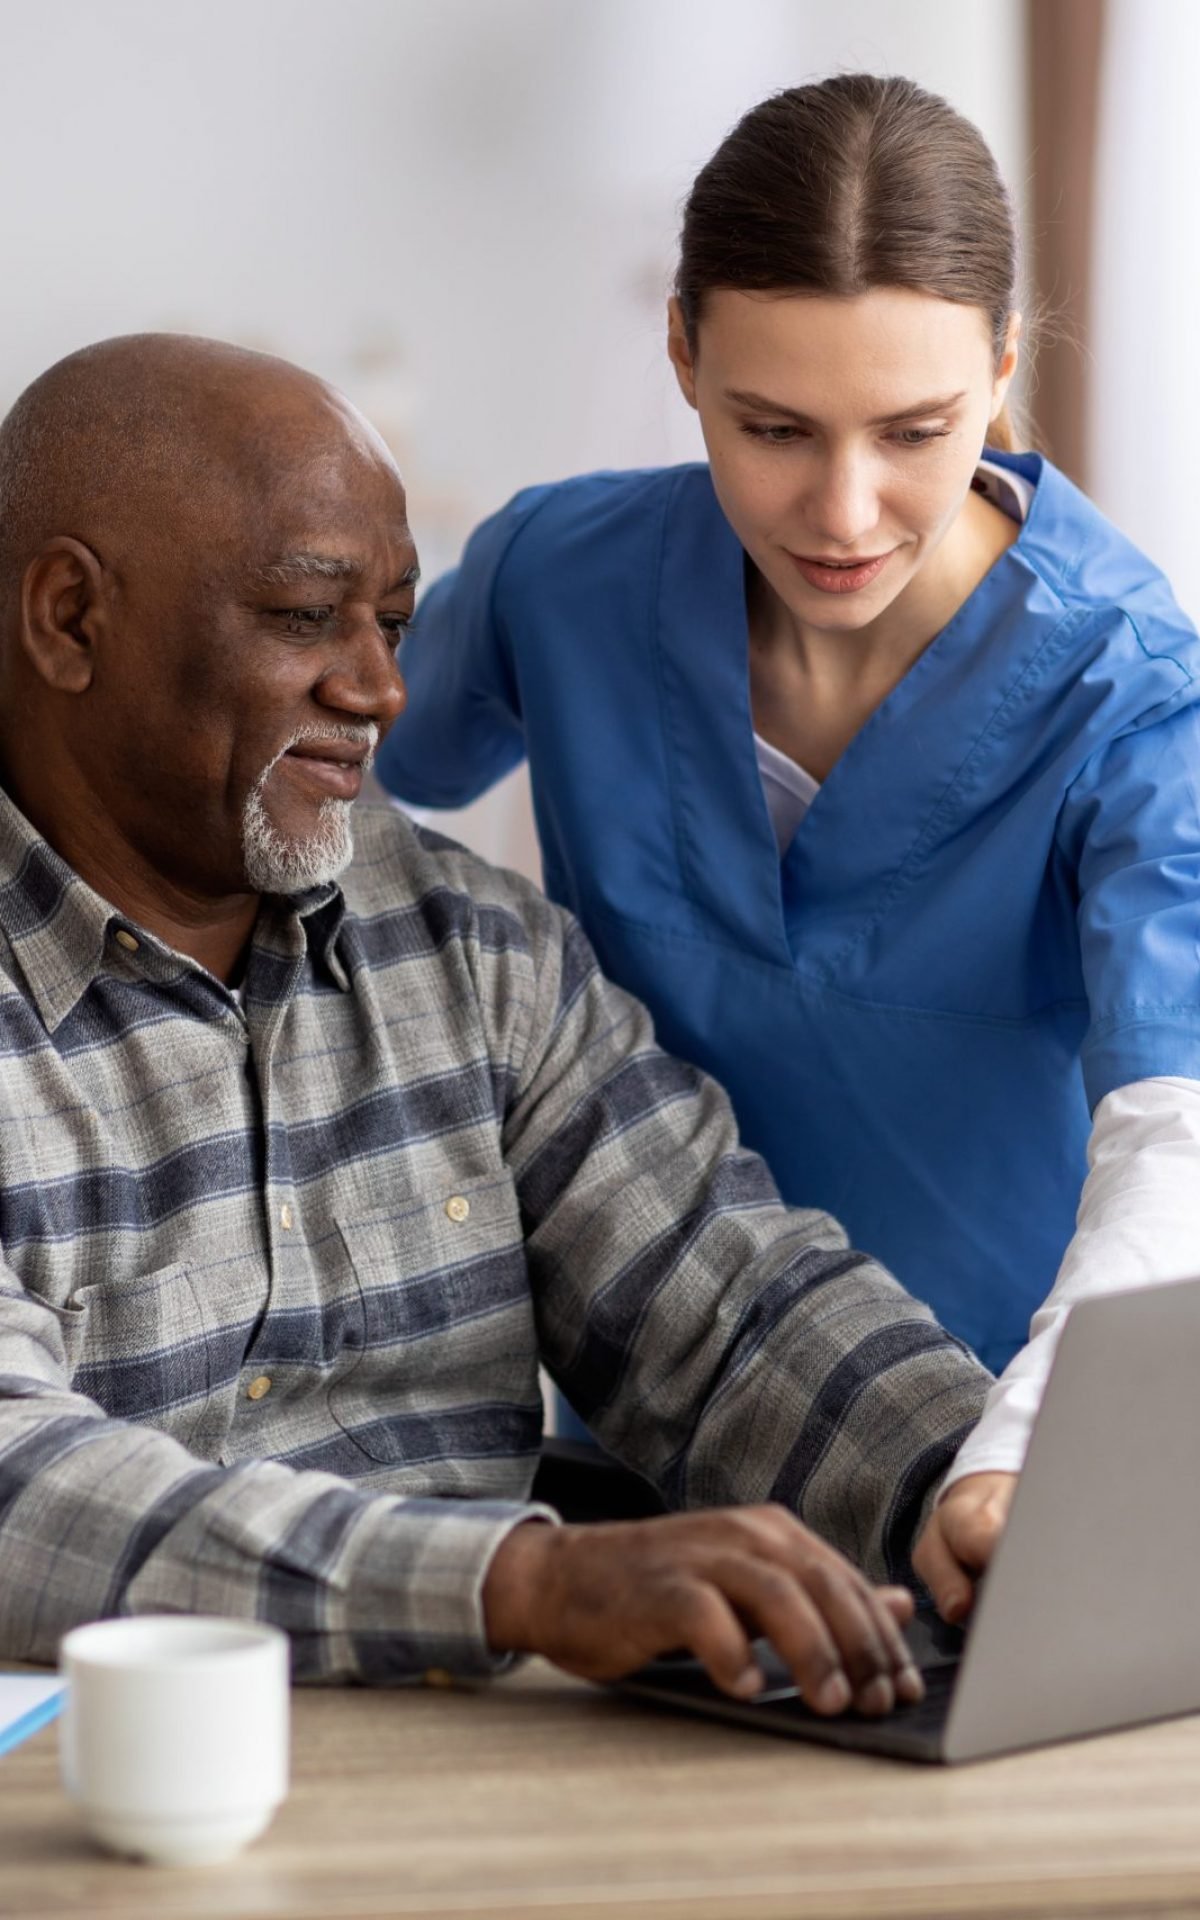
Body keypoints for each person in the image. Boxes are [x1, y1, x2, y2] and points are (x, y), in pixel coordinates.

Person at [0, 332, 994, 1711]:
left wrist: (987, 1483)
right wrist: (519, 1587)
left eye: (395, 625)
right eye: (303, 618)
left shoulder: (474, 950)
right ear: (67, 618)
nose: (381, 691)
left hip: (500, 1775)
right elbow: (20, 1494)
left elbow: (731, 1310)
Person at [374, 74, 1200, 1593]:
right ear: (682, 353)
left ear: (1005, 365)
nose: (844, 510)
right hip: (637, 1504)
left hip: (987, 1500)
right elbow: (328, 779)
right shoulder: (560, 580)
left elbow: (1179, 1136)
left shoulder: (1135, 700)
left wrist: (1019, 1464)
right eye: (773, 428)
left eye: (916, 430)